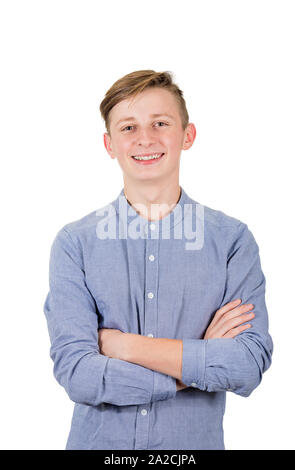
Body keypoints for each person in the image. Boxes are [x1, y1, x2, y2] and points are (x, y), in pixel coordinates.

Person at [43, 70, 273, 450]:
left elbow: (247, 364)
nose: (145, 139)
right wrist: (191, 368)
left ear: (188, 135)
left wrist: (122, 346)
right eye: (128, 127)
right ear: (109, 144)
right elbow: (77, 374)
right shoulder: (74, 243)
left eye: (160, 123)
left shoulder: (232, 241)